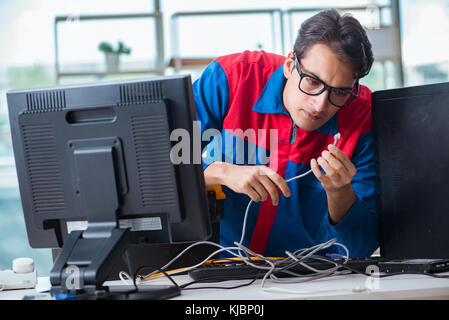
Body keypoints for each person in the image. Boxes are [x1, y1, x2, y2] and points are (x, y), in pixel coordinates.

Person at [192, 9, 378, 258]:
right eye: (312, 81)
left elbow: (363, 247)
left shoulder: (362, 114)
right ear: (290, 65)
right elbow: (158, 166)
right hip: (214, 264)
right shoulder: (232, 78)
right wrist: (221, 172)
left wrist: (340, 192)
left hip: (314, 275)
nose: (320, 104)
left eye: (340, 92)